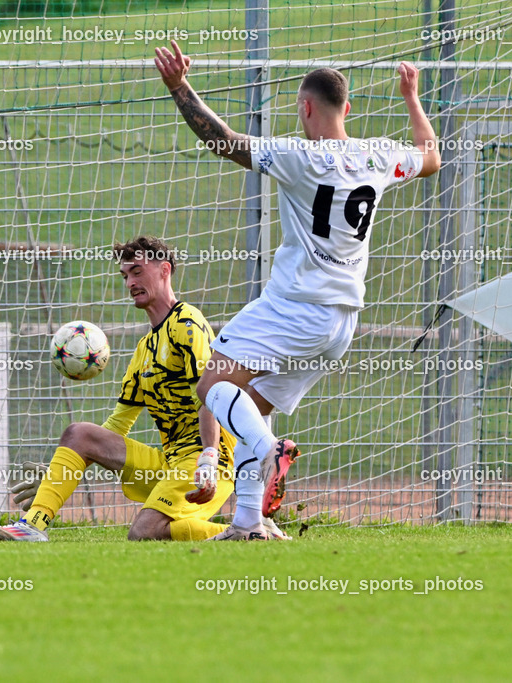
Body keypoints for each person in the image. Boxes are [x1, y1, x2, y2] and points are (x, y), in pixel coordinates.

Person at [154, 41, 441, 540]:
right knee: (250, 409)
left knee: (213, 387)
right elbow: (432, 156)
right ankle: (248, 521)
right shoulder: (378, 155)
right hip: (342, 322)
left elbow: (223, 140)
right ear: (346, 109)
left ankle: (270, 450)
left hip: (294, 307)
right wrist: (411, 97)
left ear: (305, 107)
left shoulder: (298, 156)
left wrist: (180, 88)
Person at [0, 236, 287, 542]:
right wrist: (61, 474)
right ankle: (32, 525)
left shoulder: (187, 324)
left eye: (137, 271)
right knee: (79, 434)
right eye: (125, 275)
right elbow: (117, 426)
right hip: (169, 463)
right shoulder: (143, 350)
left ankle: (251, 531)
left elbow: (212, 394)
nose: (129, 283)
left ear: (164, 270)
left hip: (210, 463)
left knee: (144, 531)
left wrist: (208, 455)